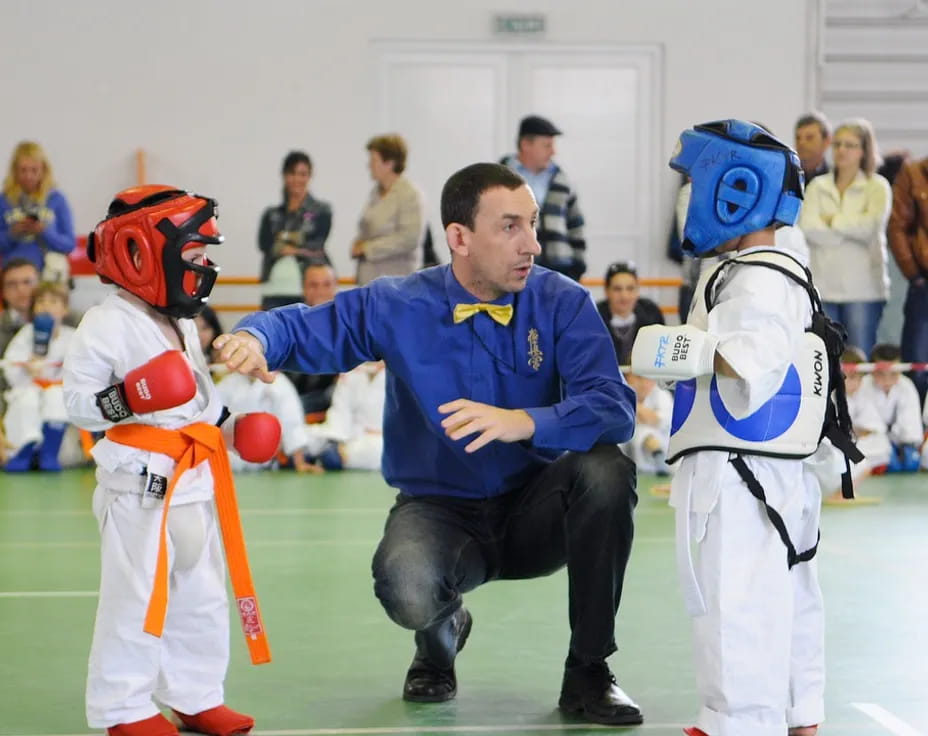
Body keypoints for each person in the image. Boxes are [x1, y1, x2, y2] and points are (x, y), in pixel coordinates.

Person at [214, 162, 642, 725]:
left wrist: (526, 421)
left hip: (538, 506)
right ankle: (440, 642)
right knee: (407, 585)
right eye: (510, 226)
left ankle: (588, 672)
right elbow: (306, 326)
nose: (532, 244)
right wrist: (254, 335)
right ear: (459, 237)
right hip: (440, 511)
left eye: (533, 224)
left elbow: (614, 408)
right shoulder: (398, 303)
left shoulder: (562, 302)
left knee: (607, 471)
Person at [632, 120, 843, 736]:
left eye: (697, 185)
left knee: (737, 594)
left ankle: (739, 723)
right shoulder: (762, 266)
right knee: (781, 587)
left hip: (742, 470)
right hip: (768, 469)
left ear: (737, 188)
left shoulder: (760, 277)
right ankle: (798, 713)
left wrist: (683, 352)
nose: (689, 202)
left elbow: (755, 355)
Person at [62, 186, 281, 736]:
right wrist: (131, 397)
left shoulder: (181, 323)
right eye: (195, 255)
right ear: (142, 254)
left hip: (196, 484)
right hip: (139, 488)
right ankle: (124, 708)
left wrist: (234, 429)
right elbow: (78, 407)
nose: (204, 268)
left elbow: (198, 401)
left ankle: (196, 695)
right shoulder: (104, 324)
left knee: (202, 598)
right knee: (135, 600)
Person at [799, 118, 892, 357]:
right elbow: (808, 229)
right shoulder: (817, 186)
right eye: (838, 144)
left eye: (849, 145)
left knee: (860, 356)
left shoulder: (877, 186)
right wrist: (848, 226)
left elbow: (869, 227)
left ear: (863, 150)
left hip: (864, 289)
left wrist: (832, 221)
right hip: (825, 285)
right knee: (825, 356)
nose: (841, 150)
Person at [501, 115, 586, 280]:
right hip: (513, 270)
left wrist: (578, 266)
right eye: (547, 145)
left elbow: (576, 224)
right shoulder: (498, 180)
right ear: (526, 144)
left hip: (560, 272)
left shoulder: (562, 180)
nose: (553, 151)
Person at [2, 281, 76, 471]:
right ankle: (22, 453)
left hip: (58, 388)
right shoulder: (26, 333)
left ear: (64, 309)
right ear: (33, 309)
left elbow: (82, 369)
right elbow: (9, 365)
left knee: (57, 398)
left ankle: (49, 453)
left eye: (53, 302)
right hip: (29, 386)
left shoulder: (73, 336)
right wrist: (28, 365)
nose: (46, 306)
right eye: (41, 302)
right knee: (27, 401)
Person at [258, 150, 333, 310]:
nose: (297, 179)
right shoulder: (271, 214)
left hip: (310, 287)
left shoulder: (322, 210)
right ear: (284, 176)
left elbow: (316, 243)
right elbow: (264, 244)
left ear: (309, 176)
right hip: (274, 288)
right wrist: (296, 242)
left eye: (302, 174)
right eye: (292, 173)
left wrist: (285, 242)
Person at [351, 134, 424, 286]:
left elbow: (409, 239)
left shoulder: (409, 194)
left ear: (389, 163)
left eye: (373, 160)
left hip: (397, 284)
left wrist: (367, 248)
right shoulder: (375, 193)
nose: (369, 165)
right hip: (369, 281)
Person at [0, 141, 75, 281]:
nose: (29, 176)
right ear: (14, 171)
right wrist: (13, 233)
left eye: (34, 170)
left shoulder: (56, 199)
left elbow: (68, 245)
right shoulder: (3, 201)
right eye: (23, 170)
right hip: (15, 274)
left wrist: (44, 231)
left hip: (50, 273)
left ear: (43, 171)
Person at [887, 154, 928, 404]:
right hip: (923, 281)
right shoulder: (914, 173)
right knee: (917, 362)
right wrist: (913, 272)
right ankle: (914, 431)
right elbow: (897, 226)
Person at [858, 344, 924, 473]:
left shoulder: (906, 386)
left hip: (899, 441)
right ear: (872, 370)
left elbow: (911, 429)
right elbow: (862, 427)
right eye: (881, 374)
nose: (887, 380)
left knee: (911, 463)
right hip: (872, 440)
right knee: (883, 459)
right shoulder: (863, 385)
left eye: (893, 374)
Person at [287, 263, 339, 414]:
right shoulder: (290, 322)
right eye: (313, 285)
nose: (320, 291)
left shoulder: (351, 322)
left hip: (331, 394)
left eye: (327, 284)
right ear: (303, 288)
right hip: (291, 390)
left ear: (336, 287)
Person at [596, 261, 664, 366]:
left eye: (630, 288)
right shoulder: (595, 317)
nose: (624, 296)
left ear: (638, 290)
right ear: (606, 291)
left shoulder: (651, 313)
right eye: (617, 289)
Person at [794, 112, 832, 184]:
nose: (801, 143)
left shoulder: (836, 179)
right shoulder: (788, 177)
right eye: (798, 138)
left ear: (826, 141)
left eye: (809, 138)